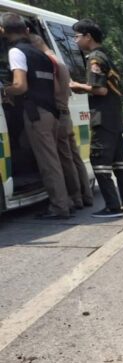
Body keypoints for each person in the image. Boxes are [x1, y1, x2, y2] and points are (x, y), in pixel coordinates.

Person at [2, 14, 72, 220]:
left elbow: (20, 85)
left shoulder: (16, 52)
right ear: (25, 30)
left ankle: (59, 207)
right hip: (51, 112)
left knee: (48, 163)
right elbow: (55, 87)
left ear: (4, 31)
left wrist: (5, 90)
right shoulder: (40, 53)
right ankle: (66, 201)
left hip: (36, 114)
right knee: (53, 159)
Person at [69, 18, 123, 218]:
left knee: (99, 162)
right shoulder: (107, 56)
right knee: (120, 164)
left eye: (77, 36)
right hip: (114, 117)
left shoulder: (94, 59)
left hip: (103, 117)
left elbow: (100, 90)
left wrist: (76, 86)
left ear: (88, 36)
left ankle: (112, 207)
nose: (75, 41)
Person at [29, 33, 92, 211]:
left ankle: (73, 198)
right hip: (65, 112)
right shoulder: (58, 60)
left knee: (64, 159)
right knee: (73, 157)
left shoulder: (49, 62)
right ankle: (84, 196)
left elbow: (54, 89)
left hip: (58, 113)